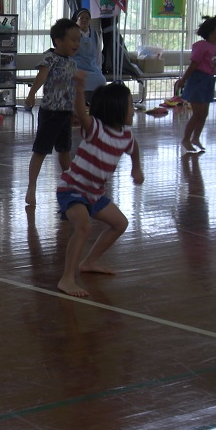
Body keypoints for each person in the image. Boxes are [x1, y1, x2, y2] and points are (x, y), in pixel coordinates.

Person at [56, 74, 143, 297]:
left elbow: (134, 149)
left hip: (94, 194)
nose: (133, 110)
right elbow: (82, 115)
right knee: (83, 226)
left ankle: (89, 262)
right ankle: (67, 279)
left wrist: (136, 168)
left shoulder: (126, 137)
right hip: (73, 189)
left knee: (120, 223)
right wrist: (79, 89)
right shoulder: (96, 129)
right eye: (130, 105)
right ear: (116, 108)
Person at [23, 18, 81, 208]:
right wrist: (31, 94)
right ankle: (32, 186)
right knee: (40, 150)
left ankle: (70, 184)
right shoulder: (50, 58)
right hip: (51, 113)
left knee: (64, 151)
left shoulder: (72, 63)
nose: (77, 44)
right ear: (58, 41)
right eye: (73, 39)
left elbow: (72, 89)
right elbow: (42, 76)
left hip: (65, 113)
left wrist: (75, 111)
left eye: (78, 40)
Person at [173, 13, 216, 152]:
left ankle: (196, 138)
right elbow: (193, 65)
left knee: (204, 113)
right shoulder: (201, 46)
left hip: (209, 81)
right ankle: (186, 139)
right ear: (211, 32)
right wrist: (183, 80)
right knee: (197, 113)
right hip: (198, 81)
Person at [71, 8, 106, 103]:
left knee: (101, 79)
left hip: (92, 68)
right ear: (76, 20)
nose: (84, 20)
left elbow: (98, 54)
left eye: (87, 18)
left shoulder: (94, 34)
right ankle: (81, 104)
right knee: (79, 79)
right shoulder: (72, 35)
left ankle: (94, 105)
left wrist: (99, 69)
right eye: (81, 18)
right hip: (77, 67)